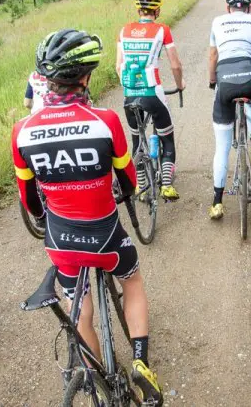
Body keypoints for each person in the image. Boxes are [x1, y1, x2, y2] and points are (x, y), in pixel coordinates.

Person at [13, 29, 163, 406]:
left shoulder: (22, 131)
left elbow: (31, 203)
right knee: (131, 279)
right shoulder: (106, 120)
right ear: (86, 77)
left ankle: (97, 373)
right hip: (106, 236)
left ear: (45, 78)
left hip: (62, 240)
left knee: (78, 306)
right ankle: (141, 363)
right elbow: (128, 181)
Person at [207, 0, 251, 220]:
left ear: (227, 8)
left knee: (222, 148)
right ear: (249, 7)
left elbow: (213, 55)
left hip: (225, 80)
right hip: (250, 78)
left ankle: (217, 202)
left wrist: (212, 80)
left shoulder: (217, 22)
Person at [116, 0, 185, 201]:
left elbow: (118, 66)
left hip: (129, 95)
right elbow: (175, 64)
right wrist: (180, 84)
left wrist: (129, 87)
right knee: (167, 136)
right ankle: (166, 185)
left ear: (139, 9)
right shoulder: (162, 30)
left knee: (136, 140)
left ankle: (141, 185)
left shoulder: (124, 30)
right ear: (157, 10)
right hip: (152, 92)